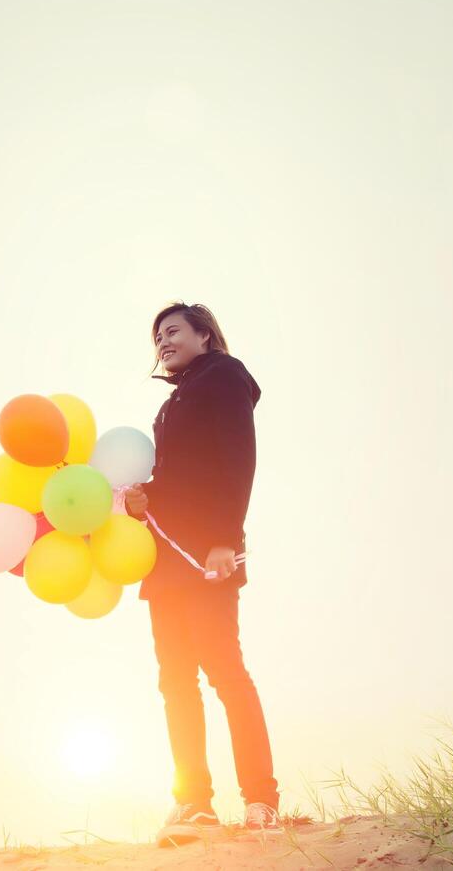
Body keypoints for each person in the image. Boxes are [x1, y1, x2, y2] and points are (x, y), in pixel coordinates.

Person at [124, 302, 281, 847]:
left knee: (225, 673)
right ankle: (194, 804)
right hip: (165, 560)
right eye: (157, 337)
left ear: (205, 336)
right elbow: (177, 476)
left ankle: (261, 800)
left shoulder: (224, 376)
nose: (163, 342)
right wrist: (144, 498)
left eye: (173, 331)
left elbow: (238, 458)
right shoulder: (173, 403)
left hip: (206, 555)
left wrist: (223, 539)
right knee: (174, 681)